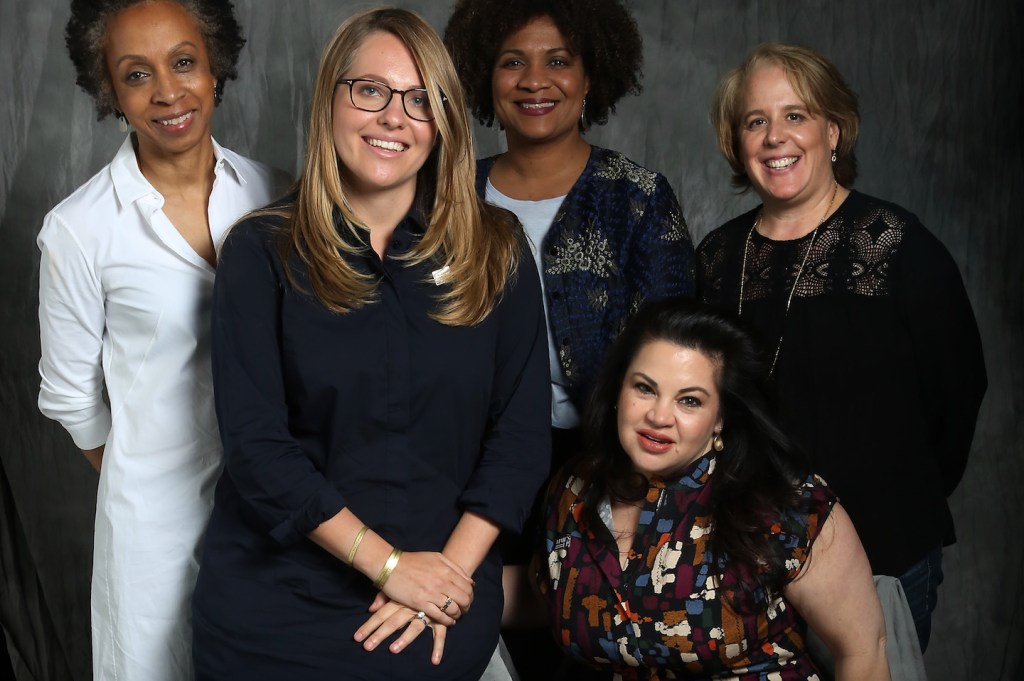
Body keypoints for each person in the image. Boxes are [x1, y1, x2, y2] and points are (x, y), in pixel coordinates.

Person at [190, 8, 550, 680]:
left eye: (420, 100)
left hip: (438, 596)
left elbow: (520, 437)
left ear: (442, 124)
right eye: (371, 91)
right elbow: (258, 451)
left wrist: (441, 578)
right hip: (280, 606)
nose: (394, 116)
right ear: (330, 97)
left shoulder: (496, 251)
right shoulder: (261, 251)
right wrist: (389, 566)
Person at [697, 42, 986, 652]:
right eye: (756, 121)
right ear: (737, 141)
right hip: (746, 555)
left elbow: (956, 394)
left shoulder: (900, 247)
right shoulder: (717, 258)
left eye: (795, 116)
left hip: (885, 548)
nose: (775, 137)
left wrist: (897, 492)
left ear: (834, 130)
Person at [36, 1, 288, 678]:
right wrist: (148, 474)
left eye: (183, 62)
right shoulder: (78, 229)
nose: (168, 92)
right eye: (136, 74)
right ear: (108, 89)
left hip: (281, 515)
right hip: (153, 533)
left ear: (214, 67)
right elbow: (69, 397)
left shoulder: (277, 194)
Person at [539, 297, 889, 680]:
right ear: (618, 391)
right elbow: (548, 595)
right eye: (644, 388)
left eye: (689, 401)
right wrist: (464, 576)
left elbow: (863, 653)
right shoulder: (575, 488)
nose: (658, 416)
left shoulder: (786, 504)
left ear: (721, 417)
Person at [444, 0, 695, 476]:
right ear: (486, 78)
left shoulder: (637, 198)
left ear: (590, 78)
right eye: (512, 61)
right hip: (464, 460)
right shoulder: (448, 197)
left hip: (608, 464)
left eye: (558, 61)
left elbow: (673, 351)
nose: (534, 80)